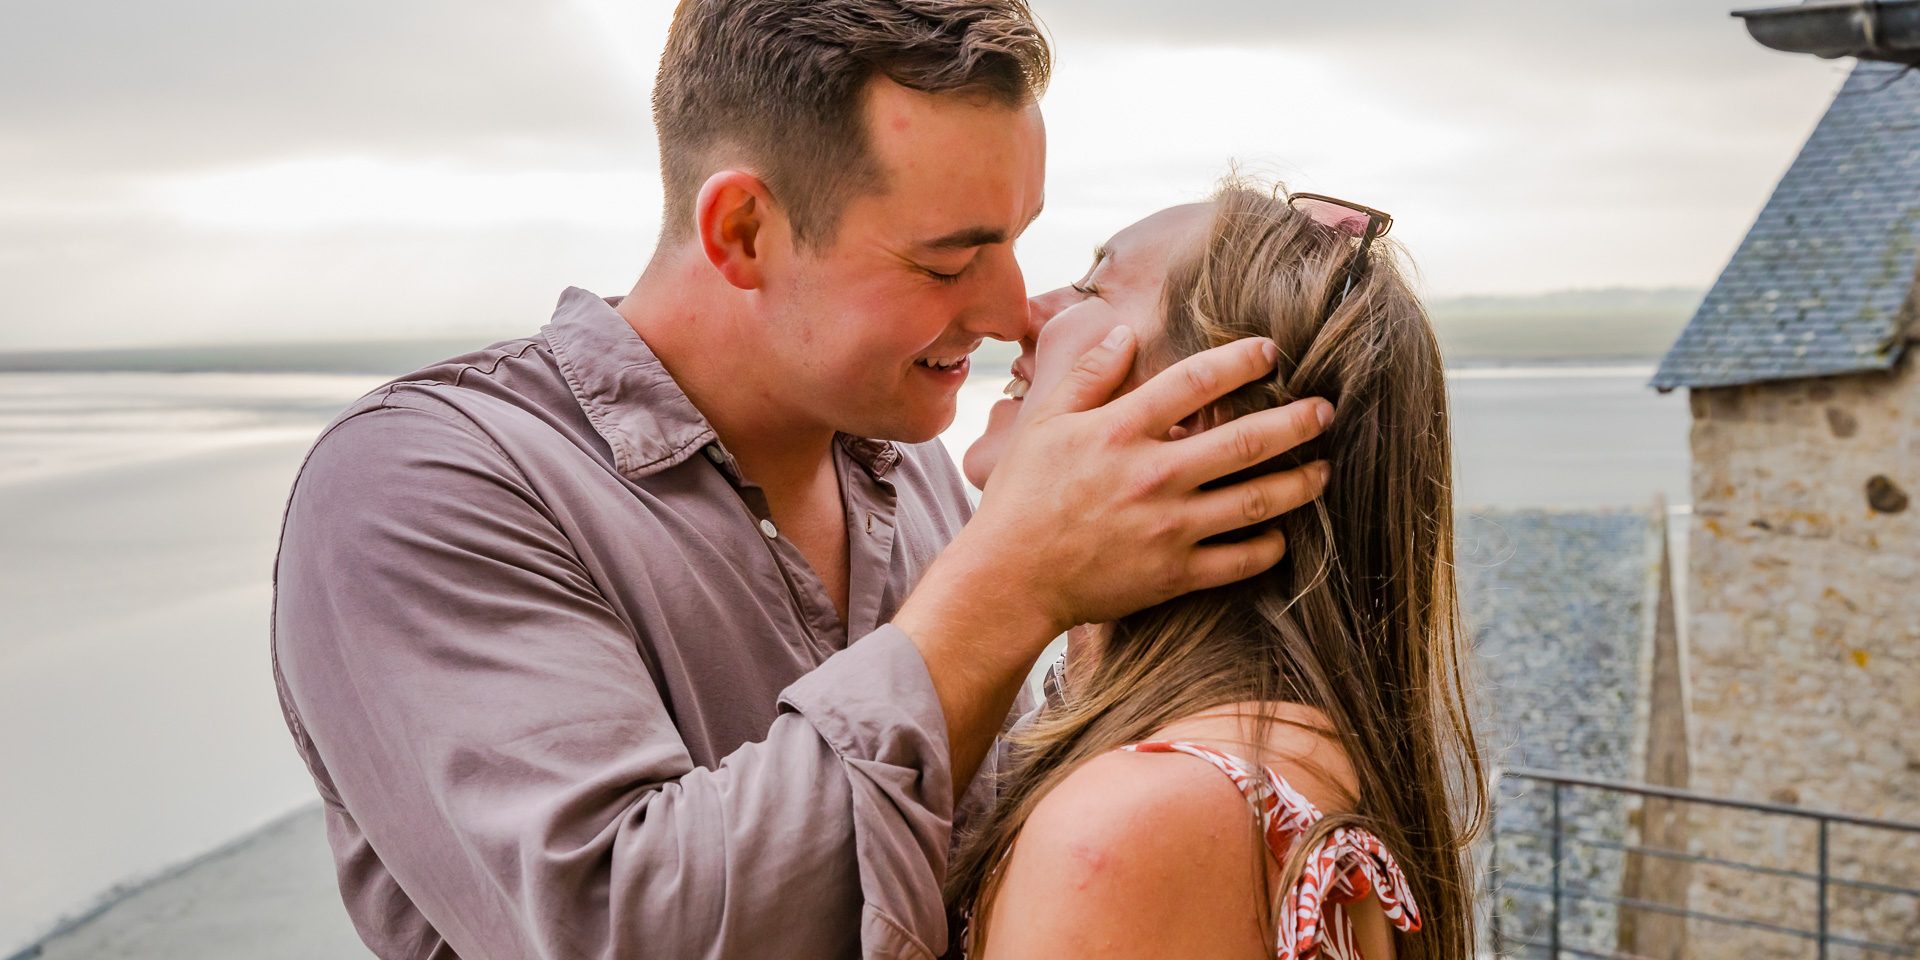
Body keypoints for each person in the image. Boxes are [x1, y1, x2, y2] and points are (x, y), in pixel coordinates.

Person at [269, 3, 1333, 959]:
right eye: (946, 261)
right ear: (742, 232)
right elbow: (620, 929)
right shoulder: (423, 487)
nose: (1011, 309)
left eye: (1017, 240)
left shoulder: (919, 469)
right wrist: (1013, 588)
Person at [947, 181, 1489, 960]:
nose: (1025, 311)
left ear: (1192, 419)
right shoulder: (1283, 753)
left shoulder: (1140, 824)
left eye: (1093, 287)